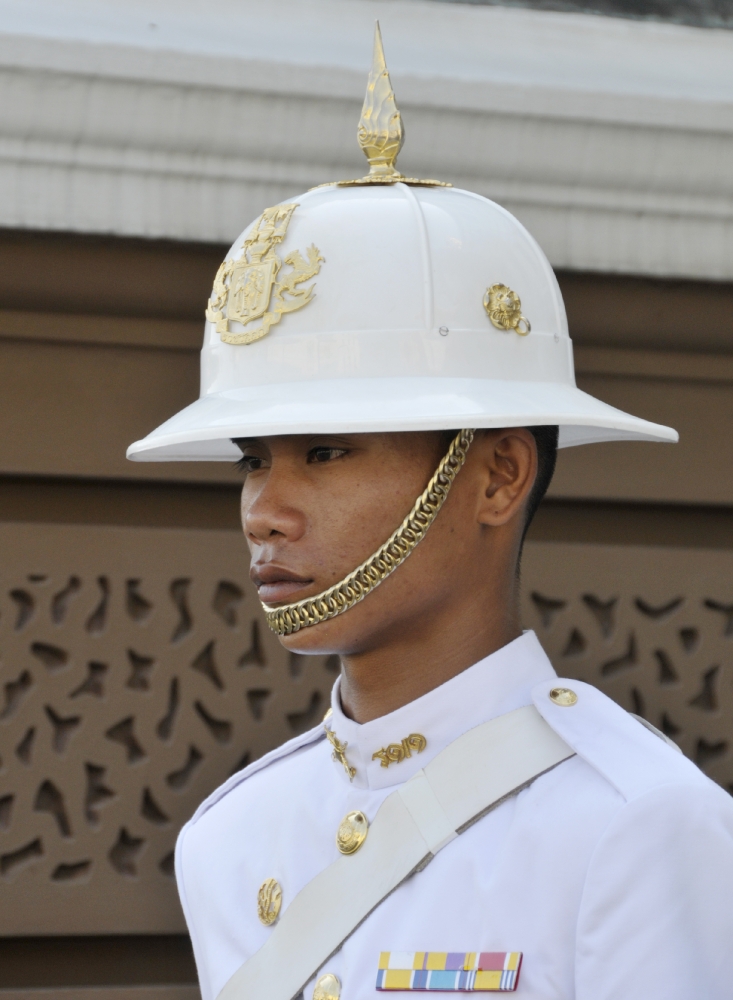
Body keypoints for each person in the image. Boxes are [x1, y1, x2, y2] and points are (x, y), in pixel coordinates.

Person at [128, 25, 733, 1000]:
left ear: (497, 475)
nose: (266, 510)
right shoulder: (232, 837)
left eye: (325, 452)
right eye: (253, 458)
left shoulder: (634, 824)